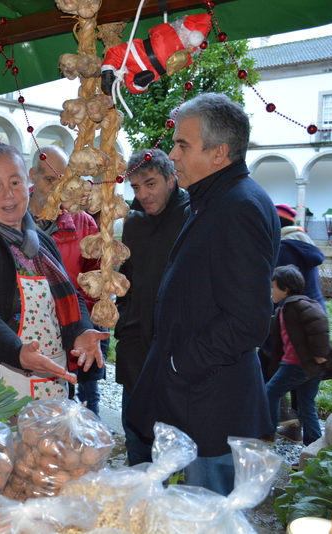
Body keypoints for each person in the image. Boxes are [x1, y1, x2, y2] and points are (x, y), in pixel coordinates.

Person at [126, 93, 280, 496]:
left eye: (182, 145)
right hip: (197, 401)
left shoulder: (238, 207)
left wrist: (179, 364)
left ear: (219, 153)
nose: (173, 155)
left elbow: (247, 321)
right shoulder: (215, 200)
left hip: (211, 409)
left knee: (209, 517)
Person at [0, 138, 109, 402]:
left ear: (27, 183)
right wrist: (18, 352)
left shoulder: (42, 242)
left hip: (51, 382)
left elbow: (70, 296)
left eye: (15, 182)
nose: (8, 194)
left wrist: (82, 330)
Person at [115, 148, 190, 466]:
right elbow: (127, 283)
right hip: (135, 349)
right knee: (135, 433)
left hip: (176, 353)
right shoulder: (134, 222)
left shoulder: (192, 216)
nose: (143, 194)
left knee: (172, 446)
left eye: (151, 183)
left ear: (171, 178)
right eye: (135, 187)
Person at [28, 145, 105, 415]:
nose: (56, 189)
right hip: (26, 335)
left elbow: (96, 284)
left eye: (62, 181)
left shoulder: (85, 225)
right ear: (32, 176)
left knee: (82, 407)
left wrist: (84, 329)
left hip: (73, 335)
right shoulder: (12, 216)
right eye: (49, 179)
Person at [263, 203, 327, 443]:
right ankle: (310, 444)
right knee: (306, 400)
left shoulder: (283, 249)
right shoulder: (305, 244)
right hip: (311, 319)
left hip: (298, 342)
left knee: (270, 387)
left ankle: (267, 432)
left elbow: (274, 288)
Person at [265, 265, 332, 446]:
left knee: (270, 393)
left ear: (286, 289)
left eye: (273, 286)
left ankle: (267, 435)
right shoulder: (287, 306)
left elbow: (320, 325)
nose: (271, 290)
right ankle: (313, 449)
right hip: (307, 365)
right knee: (307, 406)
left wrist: (320, 354)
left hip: (297, 365)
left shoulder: (297, 305)